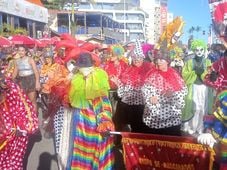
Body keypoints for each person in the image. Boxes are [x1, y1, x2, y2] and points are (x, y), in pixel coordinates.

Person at [67, 52, 115, 169]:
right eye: (81, 67)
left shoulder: (96, 79)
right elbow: (74, 101)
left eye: (84, 67)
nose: (81, 70)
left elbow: (103, 102)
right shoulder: (78, 78)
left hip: (93, 122)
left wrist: (104, 121)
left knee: (94, 150)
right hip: (81, 121)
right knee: (81, 149)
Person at [111, 40, 155, 134]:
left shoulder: (149, 70)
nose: (136, 60)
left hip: (142, 105)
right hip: (128, 105)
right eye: (134, 58)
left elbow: (154, 86)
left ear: (143, 58)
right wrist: (118, 83)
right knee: (128, 127)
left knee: (141, 129)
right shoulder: (128, 70)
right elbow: (123, 90)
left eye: (139, 58)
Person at [141, 53, 187, 136]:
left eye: (161, 60)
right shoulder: (152, 75)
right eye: (157, 60)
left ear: (167, 62)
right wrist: (151, 96)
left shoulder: (175, 75)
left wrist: (174, 95)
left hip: (172, 116)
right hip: (156, 117)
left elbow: (183, 90)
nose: (158, 62)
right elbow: (146, 89)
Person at [0, 71, 38, 170]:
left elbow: (24, 108)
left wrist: (22, 129)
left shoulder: (12, 89)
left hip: (14, 132)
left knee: (13, 161)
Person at [182, 39, 214, 135]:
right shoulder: (189, 62)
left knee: (203, 108)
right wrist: (194, 72)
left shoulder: (208, 62)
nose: (199, 52)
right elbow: (184, 75)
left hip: (204, 89)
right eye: (197, 50)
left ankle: (201, 127)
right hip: (194, 88)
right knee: (194, 107)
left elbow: (211, 76)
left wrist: (203, 73)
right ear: (194, 50)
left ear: (204, 50)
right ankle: (192, 126)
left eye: (201, 50)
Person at [12, 46, 41, 113]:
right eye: (19, 50)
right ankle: (27, 118)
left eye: (22, 51)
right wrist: (9, 80)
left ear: (25, 52)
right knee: (24, 101)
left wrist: (37, 83)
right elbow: (15, 73)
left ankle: (34, 119)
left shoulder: (30, 59)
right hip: (21, 81)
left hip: (31, 80)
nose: (21, 52)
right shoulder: (17, 61)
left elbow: (36, 72)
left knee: (32, 100)